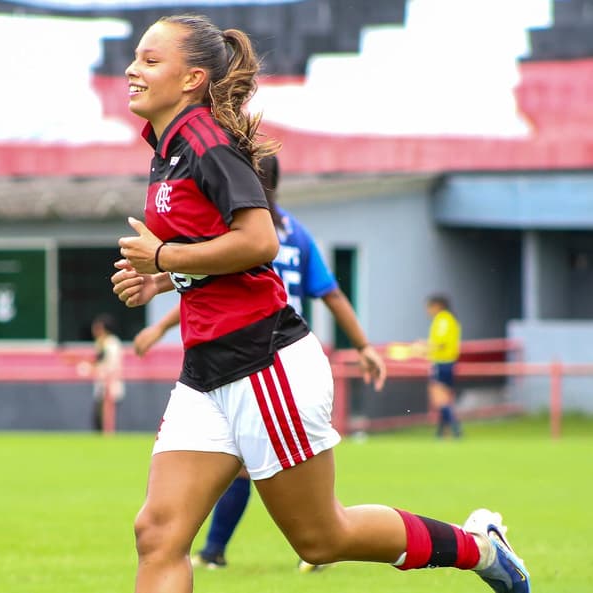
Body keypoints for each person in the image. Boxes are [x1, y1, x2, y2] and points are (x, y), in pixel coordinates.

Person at [111, 14, 529, 593]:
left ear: (192, 79)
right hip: (205, 373)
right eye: (136, 56)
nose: (133, 68)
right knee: (157, 534)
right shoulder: (170, 148)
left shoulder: (207, 142)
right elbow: (220, 252)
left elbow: (260, 241)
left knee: (321, 538)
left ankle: (480, 549)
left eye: (151, 60)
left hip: (262, 364)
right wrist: (164, 278)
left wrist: (165, 260)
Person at [133, 154, 387, 570]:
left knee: (313, 526)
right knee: (174, 521)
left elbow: (224, 283)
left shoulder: (246, 231)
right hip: (238, 362)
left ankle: (223, 550)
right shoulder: (292, 231)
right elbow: (330, 294)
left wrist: (158, 319)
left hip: (273, 358)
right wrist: (363, 346)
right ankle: (218, 551)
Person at [424, 294, 463, 438]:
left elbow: (440, 343)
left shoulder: (443, 320)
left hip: (442, 363)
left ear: (437, 305)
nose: (428, 311)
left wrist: (424, 348)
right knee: (444, 399)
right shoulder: (450, 319)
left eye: (429, 307)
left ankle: (455, 428)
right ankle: (441, 432)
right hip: (449, 362)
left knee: (440, 399)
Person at [88, 314, 125, 432]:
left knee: (107, 421)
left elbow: (112, 365)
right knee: (97, 420)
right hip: (101, 387)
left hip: (110, 387)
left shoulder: (112, 343)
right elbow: (97, 362)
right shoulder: (100, 343)